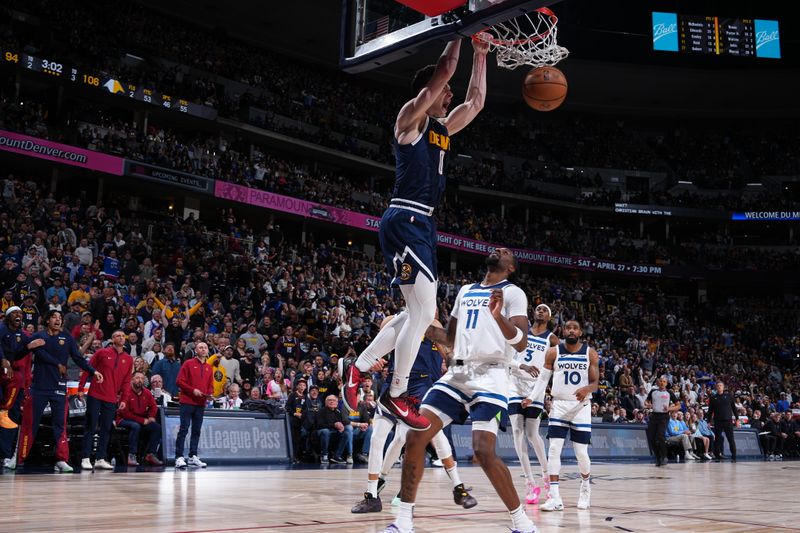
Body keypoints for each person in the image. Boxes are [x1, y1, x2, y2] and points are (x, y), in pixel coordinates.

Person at [343, 33, 490, 431]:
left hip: (422, 223)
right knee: (423, 313)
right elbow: (442, 71)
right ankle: (395, 394)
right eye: (445, 93)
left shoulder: (442, 128)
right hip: (405, 217)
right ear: (431, 92)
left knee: (416, 313)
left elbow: (475, 103)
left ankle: (358, 370)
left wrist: (480, 54)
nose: (449, 97)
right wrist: (462, 30)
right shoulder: (409, 119)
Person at [380, 248, 536, 533]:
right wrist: (419, 322)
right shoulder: (465, 291)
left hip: (492, 373)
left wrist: (499, 317)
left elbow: (522, 343)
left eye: (504, 252)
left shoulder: (513, 293)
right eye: (495, 249)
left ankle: (521, 521)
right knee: (416, 435)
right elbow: (449, 336)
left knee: (483, 450)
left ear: (511, 267)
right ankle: (403, 521)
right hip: (457, 372)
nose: (497, 250)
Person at [351, 316, 476, 514]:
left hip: (421, 386)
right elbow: (376, 350)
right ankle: (372, 495)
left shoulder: (433, 325)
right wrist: (375, 361)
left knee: (421, 436)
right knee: (378, 437)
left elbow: (450, 353)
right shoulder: (393, 320)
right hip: (394, 384)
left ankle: (457, 486)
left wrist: (462, 368)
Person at [528, 319, 599, 511]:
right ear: (563, 330)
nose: (571, 330)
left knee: (581, 453)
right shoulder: (553, 352)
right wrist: (531, 397)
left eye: (575, 328)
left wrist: (587, 389)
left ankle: (585, 487)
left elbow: (595, 383)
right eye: (568, 327)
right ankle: (554, 497)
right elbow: (543, 380)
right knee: (553, 450)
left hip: (581, 407)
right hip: (559, 405)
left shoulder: (590, 353)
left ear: (581, 332)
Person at [20, 310, 103, 472]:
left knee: (60, 424)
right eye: (54, 317)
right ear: (47, 320)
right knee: (30, 424)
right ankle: (20, 458)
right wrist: (54, 363)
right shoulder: (39, 336)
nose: (58, 320)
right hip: (39, 388)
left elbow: (78, 358)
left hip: (58, 387)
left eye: (60, 318)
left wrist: (93, 371)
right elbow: (28, 353)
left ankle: (61, 459)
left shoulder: (67, 338)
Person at [509, 303, 557, 504]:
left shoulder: (552, 339)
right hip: (514, 383)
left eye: (545, 309)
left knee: (531, 433)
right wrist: (522, 365)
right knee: (517, 433)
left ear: (549, 317)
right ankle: (530, 482)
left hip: (536, 387)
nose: (540, 310)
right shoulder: (520, 332)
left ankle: (547, 476)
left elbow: (552, 368)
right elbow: (506, 357)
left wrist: (541, 393)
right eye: (538, 308)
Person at [78, 329, 133, 470]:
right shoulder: (102, 353)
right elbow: (87, 369)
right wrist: (80, 388)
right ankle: (85, 457)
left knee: (107, 428)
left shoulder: (128, 358)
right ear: (112, 339)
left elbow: (127, 381)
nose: (121, 338)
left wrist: (124, 399)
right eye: (118, 336)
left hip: (111, 398)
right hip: (95, 394)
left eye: (122, 336)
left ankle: (100, 458)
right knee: (90, 426)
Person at [174, 341, 213, 468]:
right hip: (187, 402)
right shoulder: (188, 363)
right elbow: (179, 381)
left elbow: (210, 385)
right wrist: (192, 390)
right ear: (196, 350)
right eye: (201, 347)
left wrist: (210, 394)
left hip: (200, 403)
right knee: (184, 429)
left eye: (205, 347)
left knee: (196, 430)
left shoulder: (209, 367)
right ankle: (179, 457)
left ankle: (192, 456)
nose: (203, 349)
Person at [116, 371, 162, 466]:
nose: (140, 380)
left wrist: (151, 416)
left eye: (142, 378)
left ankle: (151, 454)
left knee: (157, 427)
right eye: (137, 378)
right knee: (136, 426)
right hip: (123, 419)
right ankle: (132, 455)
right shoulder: (126, 392)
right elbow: (124, 413)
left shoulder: (147, 392)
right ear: (132, 380)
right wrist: (142, 420)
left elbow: (153, 406)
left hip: (141, 419)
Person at [645, 377, 680, 467]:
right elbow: (646, 401)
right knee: (651, 438)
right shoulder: (653, 392)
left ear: (666, 383)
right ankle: (657, 457)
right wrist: (647, 404)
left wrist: (669, 408)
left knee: (660, 436)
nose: (662, 383)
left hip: (664, 416)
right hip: (654, 416)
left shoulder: (669, 392)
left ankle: (664, 456)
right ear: (657, 382)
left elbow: (678, 406)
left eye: (664, 381)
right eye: (660, 381)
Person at [707, 380, 737, 461]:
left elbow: (734, 408)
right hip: (718, 421)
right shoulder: (713, 398)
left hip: (728, 421)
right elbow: (710, 410)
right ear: (716, 387)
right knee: (717, 439)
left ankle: (734, 456)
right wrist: (708, 421)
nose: (719, 387)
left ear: (723, 387)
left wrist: (737, 418)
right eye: (718, 385)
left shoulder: (729, 396)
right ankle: (717, 455)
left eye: (721, 385)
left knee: (731, 439)